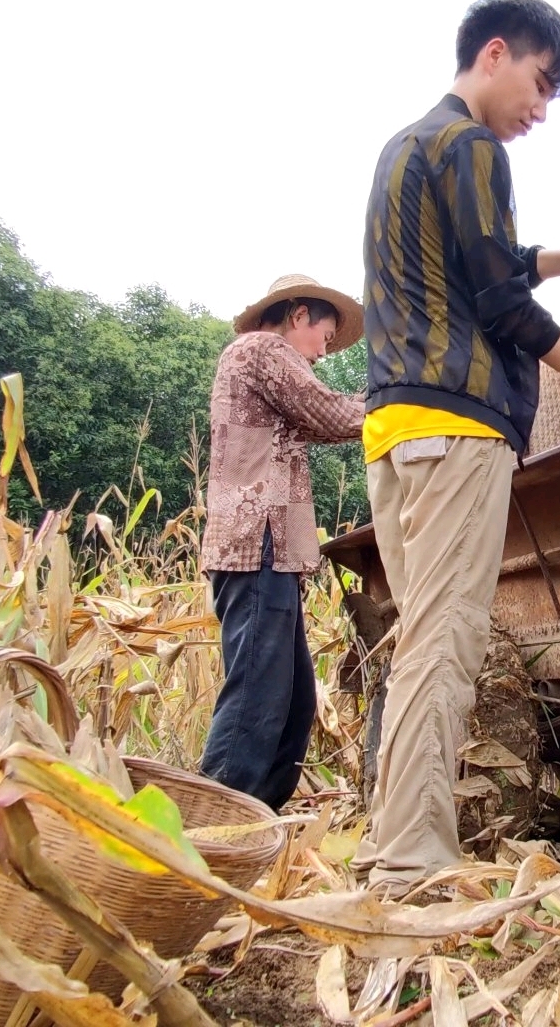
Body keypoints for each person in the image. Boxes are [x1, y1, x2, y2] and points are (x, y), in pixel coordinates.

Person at [353, 0, 560, 895]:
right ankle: (412, 857)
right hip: (458, 426)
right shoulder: (475, 148)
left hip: (395, 429)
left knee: (422, 644)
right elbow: (499, 302)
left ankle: (388, 842)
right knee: (446, 643)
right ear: (495, 54)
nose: (543, 108)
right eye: (541, 81)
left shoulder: (408, 147)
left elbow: (491, 260)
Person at [198, 273, 367, 811]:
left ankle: (260, 816)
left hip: (272, 550)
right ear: (298, 316)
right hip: (257, 543)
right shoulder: (263, 350)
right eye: (324, 337)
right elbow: (335, 414)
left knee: (290, 699)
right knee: (257, 691)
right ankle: (216, 817)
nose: (322, 354)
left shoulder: (264, 369)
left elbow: (318, 420)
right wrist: (404, 396)